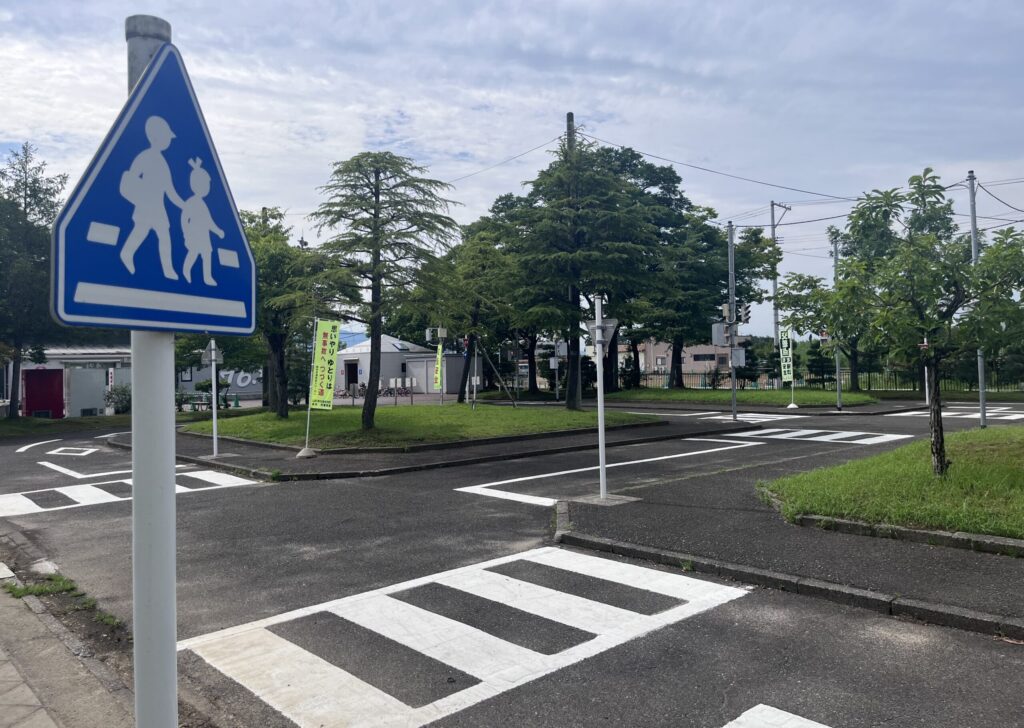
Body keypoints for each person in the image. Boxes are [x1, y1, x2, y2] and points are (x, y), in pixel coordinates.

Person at [119, 115, 185, 279]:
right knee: (143, 231)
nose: (168, 141)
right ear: (156, 137)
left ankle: (168, 269)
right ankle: (126, 254)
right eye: (166, 137)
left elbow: (170, 191)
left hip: (158, 208)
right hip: (145, 205)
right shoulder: (145, 156)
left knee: (162, 235)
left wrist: (184, 206)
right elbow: (131, 176)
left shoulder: (163, 163)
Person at [180, 157, 224, 286]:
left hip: (204, 236)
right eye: (205, 184)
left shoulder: (203, 205)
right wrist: (186, 233)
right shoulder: (191, 202)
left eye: (208, 185)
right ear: (195, 185)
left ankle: (207, 277)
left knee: (206, 254)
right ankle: (186, 270)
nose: (207, 188)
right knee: (193, 253)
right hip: (194, 235)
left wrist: (218, 231)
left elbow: (209, 222)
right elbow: (184, 218)